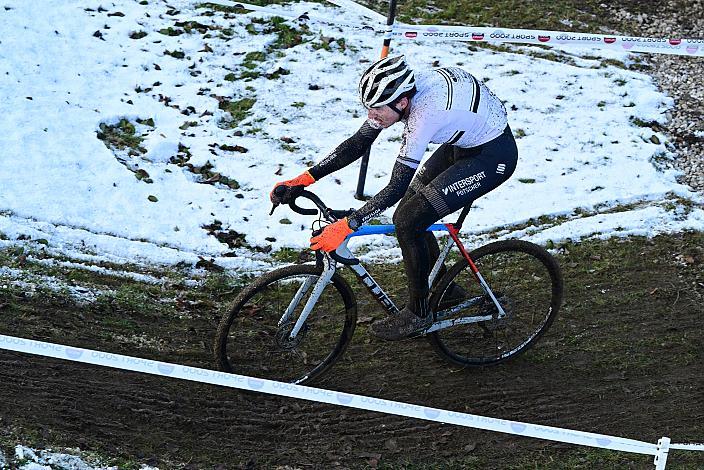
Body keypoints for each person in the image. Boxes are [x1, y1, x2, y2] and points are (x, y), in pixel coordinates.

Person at [271, 55, 517, 340]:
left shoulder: (424, 115)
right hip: (461, 141)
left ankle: (418, 314)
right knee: (412, 212)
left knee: (408, 219)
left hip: (492, 156)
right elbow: (358, 143)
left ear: (402, 103)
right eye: (368, 109)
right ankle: (446, 291)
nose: (371, 117)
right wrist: (303, 179)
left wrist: (349, 224)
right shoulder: (400, 93)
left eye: (377, 110)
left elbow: (396, 186)